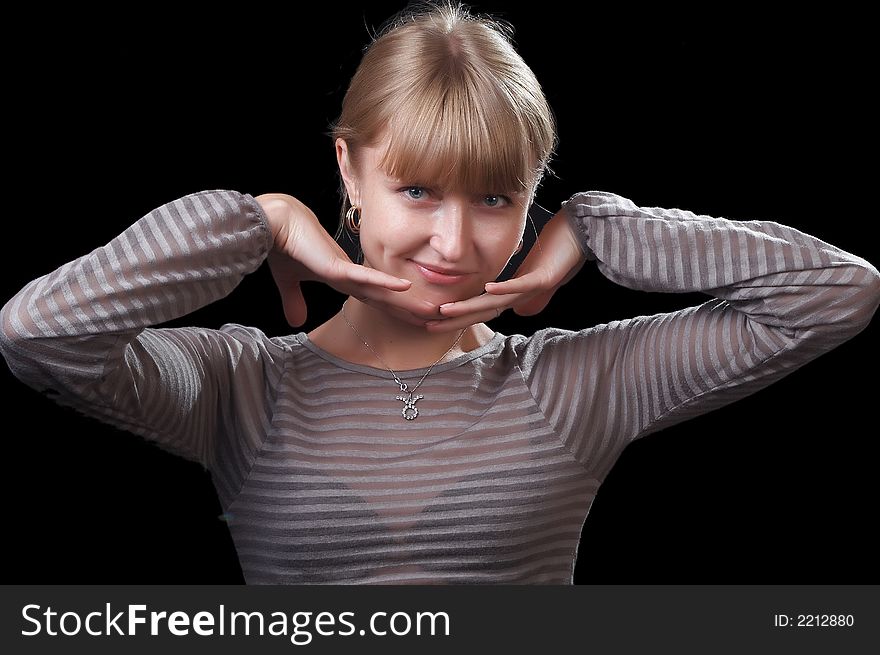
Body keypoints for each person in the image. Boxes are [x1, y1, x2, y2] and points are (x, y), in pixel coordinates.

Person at [1, 0, 878, 584]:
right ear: (347, 167)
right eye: (417, 189)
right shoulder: (243, 385)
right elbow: (41, 332)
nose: (455, 244)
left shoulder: (574, 382)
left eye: (496, 197)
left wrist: (597, 226)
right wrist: (255, 221)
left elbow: (836, 292)